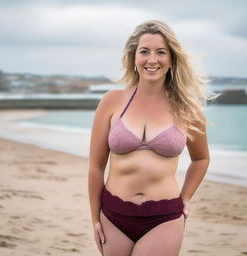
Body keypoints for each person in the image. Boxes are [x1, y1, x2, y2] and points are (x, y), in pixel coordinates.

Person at [88, 20, 210, 256]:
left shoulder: (188, 110)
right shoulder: (112, 101)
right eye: (144, 51)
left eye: (161, 52)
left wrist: (185, 197)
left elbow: (201, 158)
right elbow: (95, 166)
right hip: (113, 215)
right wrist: (95, 218)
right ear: (134, 57)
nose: (152, 60)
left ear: (172, 59)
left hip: (163, 218)